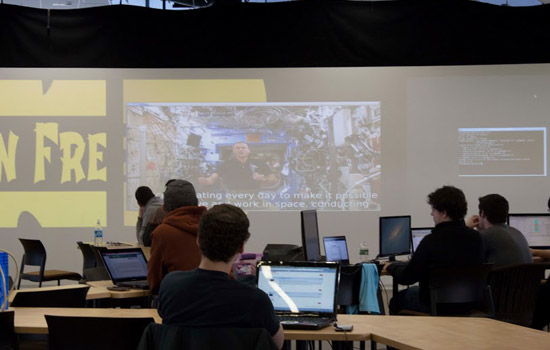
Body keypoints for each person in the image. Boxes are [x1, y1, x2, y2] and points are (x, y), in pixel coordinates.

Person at [158, 204, 284, 349]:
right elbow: (276, 343)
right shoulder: (255, 300)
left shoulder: (170, 286)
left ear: (198, 240)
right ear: (241, 247)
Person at [383, 185, 486, 314]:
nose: (431, 213)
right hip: (470, 305)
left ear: (444, 213)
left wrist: (391, 267)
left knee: (397, 300)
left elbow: (407, 278)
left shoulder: (431, 241)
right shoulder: (477, 238)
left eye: (433, 210)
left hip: (435, 306)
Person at [147, 179, 206, 293]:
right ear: (197, 202)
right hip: (216, 299)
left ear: (165, 207)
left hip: (180, 300)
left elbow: (154, 281)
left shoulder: (163, 233)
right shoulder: (214, 226)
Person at [466, 194, 532, 266]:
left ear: (482, 213)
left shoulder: (485, 236)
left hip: (500, 277)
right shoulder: (517, 232)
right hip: (523, 277)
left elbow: (459, 251)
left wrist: (466, 228)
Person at [198, 142, 278, 190]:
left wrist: (264, 178)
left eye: (243, 148)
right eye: (237, 148)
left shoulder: (260, 163)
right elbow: (211, 179)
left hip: (254, 197)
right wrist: (205, 181)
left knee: (275, 212)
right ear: (234, 151)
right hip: (233, 197)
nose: (240, 149)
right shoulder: (225, 164)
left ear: (248, 150)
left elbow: (273, 179)